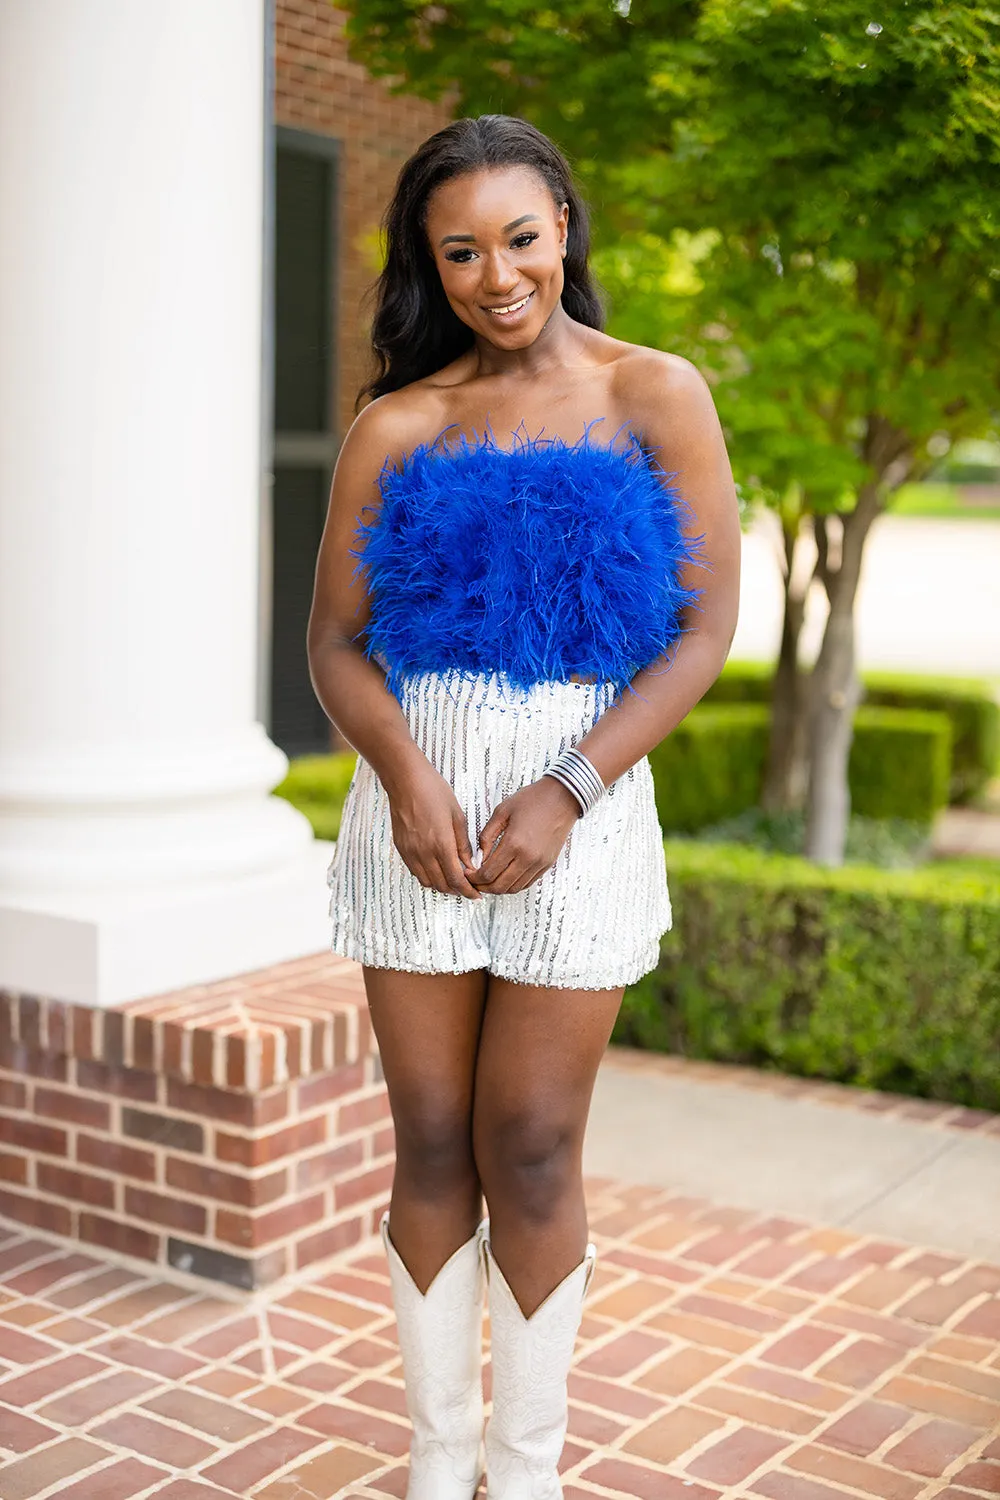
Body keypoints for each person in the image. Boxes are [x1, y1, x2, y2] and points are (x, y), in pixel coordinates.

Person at [307, 114, 740, 1500]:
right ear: (426, 267)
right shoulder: (400, 422)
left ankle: (528, 1472)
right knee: (431, 1138)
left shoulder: (655, 393)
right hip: (414, 820)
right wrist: (408, 775)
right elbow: (333, 646)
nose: (496, 275)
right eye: (460, 251)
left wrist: (566, 789)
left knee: (533, 1145)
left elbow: (701, 634)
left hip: (586, 806)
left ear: (567, 228)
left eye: (520, 238)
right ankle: (442, 1466)